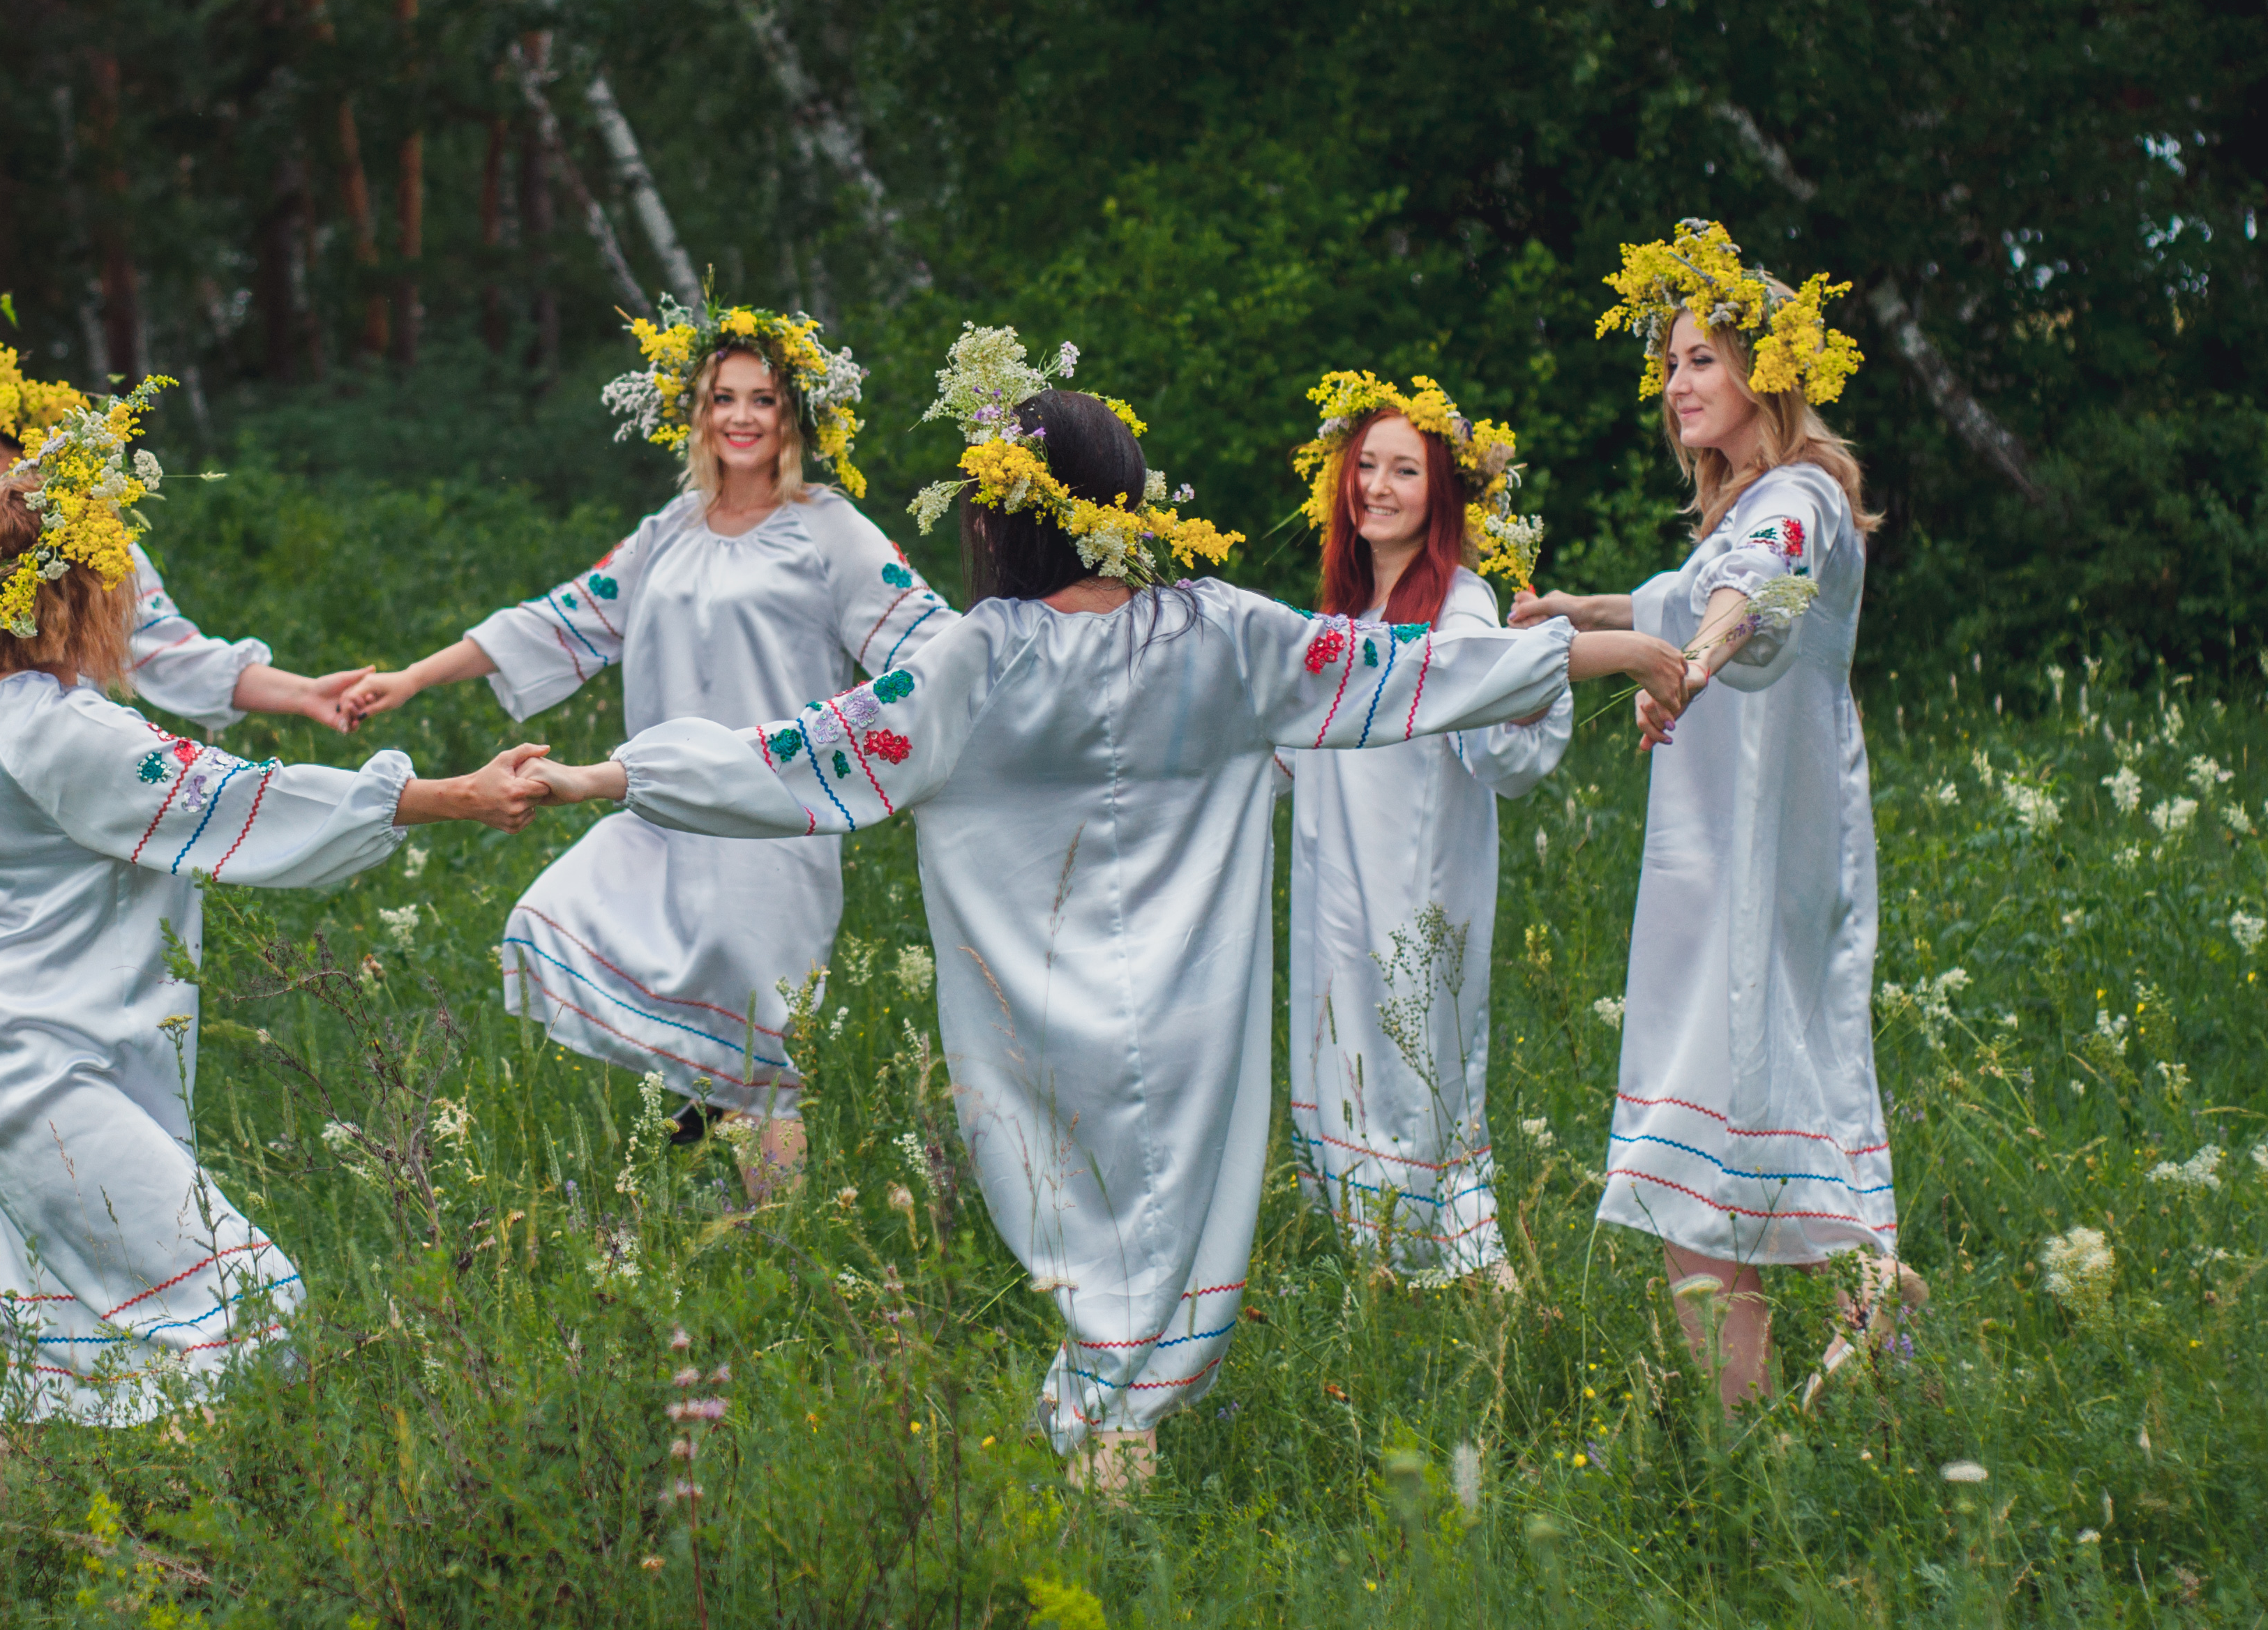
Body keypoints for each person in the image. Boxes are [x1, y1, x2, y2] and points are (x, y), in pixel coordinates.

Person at [530, 328, 1688, 1488]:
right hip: (1190, 1006)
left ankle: (1106, 1423)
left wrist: (608, 775)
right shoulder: (1219, 629)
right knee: (1171, 1221)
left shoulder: (978, 659)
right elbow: (1420, 671)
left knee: (1079, 1230)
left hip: (1026, 1018)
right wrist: (1620, 647)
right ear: (1120, 501)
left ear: (1004, 520)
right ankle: (1120, 1421)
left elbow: (796, 755)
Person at [0, 384, 549, 1424]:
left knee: (65, 1353)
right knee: (244, 1302)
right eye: (116, 580)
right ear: (76, 595)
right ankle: (218, 1537)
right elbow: (245, 803)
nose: (131, 599)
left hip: (36, 1062)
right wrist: (459, 795)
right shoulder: (72, 734)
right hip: (53, 1079)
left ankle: (27, 1545)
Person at [342, 288, 943, 1197]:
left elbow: (934, 649)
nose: (741, 416)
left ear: (796, 417)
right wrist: (415, 676)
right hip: (656, 808)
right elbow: (563, 620)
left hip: (769, 823)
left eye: (762, 398)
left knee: (757, 1053)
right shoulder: (671, 529)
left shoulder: (831, 529)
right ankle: (700, 1165)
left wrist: (856, 746)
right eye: (722, 398)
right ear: (697, 415)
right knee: (549, 920)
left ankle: (773, 1252)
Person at [1512, 219, 1904, 1407]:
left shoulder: (1800, 502)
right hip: (1710, 861)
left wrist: (1691, 656)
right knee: (1717, 1128)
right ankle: (1777, 1418)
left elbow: (1756, 599)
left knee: (1748, 1098)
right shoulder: (1742, 505)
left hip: (1764, 854)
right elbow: (1682, 591)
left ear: (1763, 375)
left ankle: (1850, 1324)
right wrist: (1572, 611)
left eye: (1702, 360)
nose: (1678, 384)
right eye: (1671, 363)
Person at [0, 340, 369, 1179]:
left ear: (27, 458)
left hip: (40, 801)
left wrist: (301, 693)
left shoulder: (75, 540)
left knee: (33, 996)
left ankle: (58, 1144)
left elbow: (169, 648)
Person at [1281, 373, 1568, 1285]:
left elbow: (1508, 756)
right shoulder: (1349, 615)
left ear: (1441, 493)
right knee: (1349, 1071)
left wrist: (1523, 689)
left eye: (1404, 470)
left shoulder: (1462, 609)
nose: (1376, 485)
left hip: (1418, 892)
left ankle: (1480, 1290)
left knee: (1421, 1084)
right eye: (1365, 465)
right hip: (1338, 894)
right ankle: (1388, 1282)